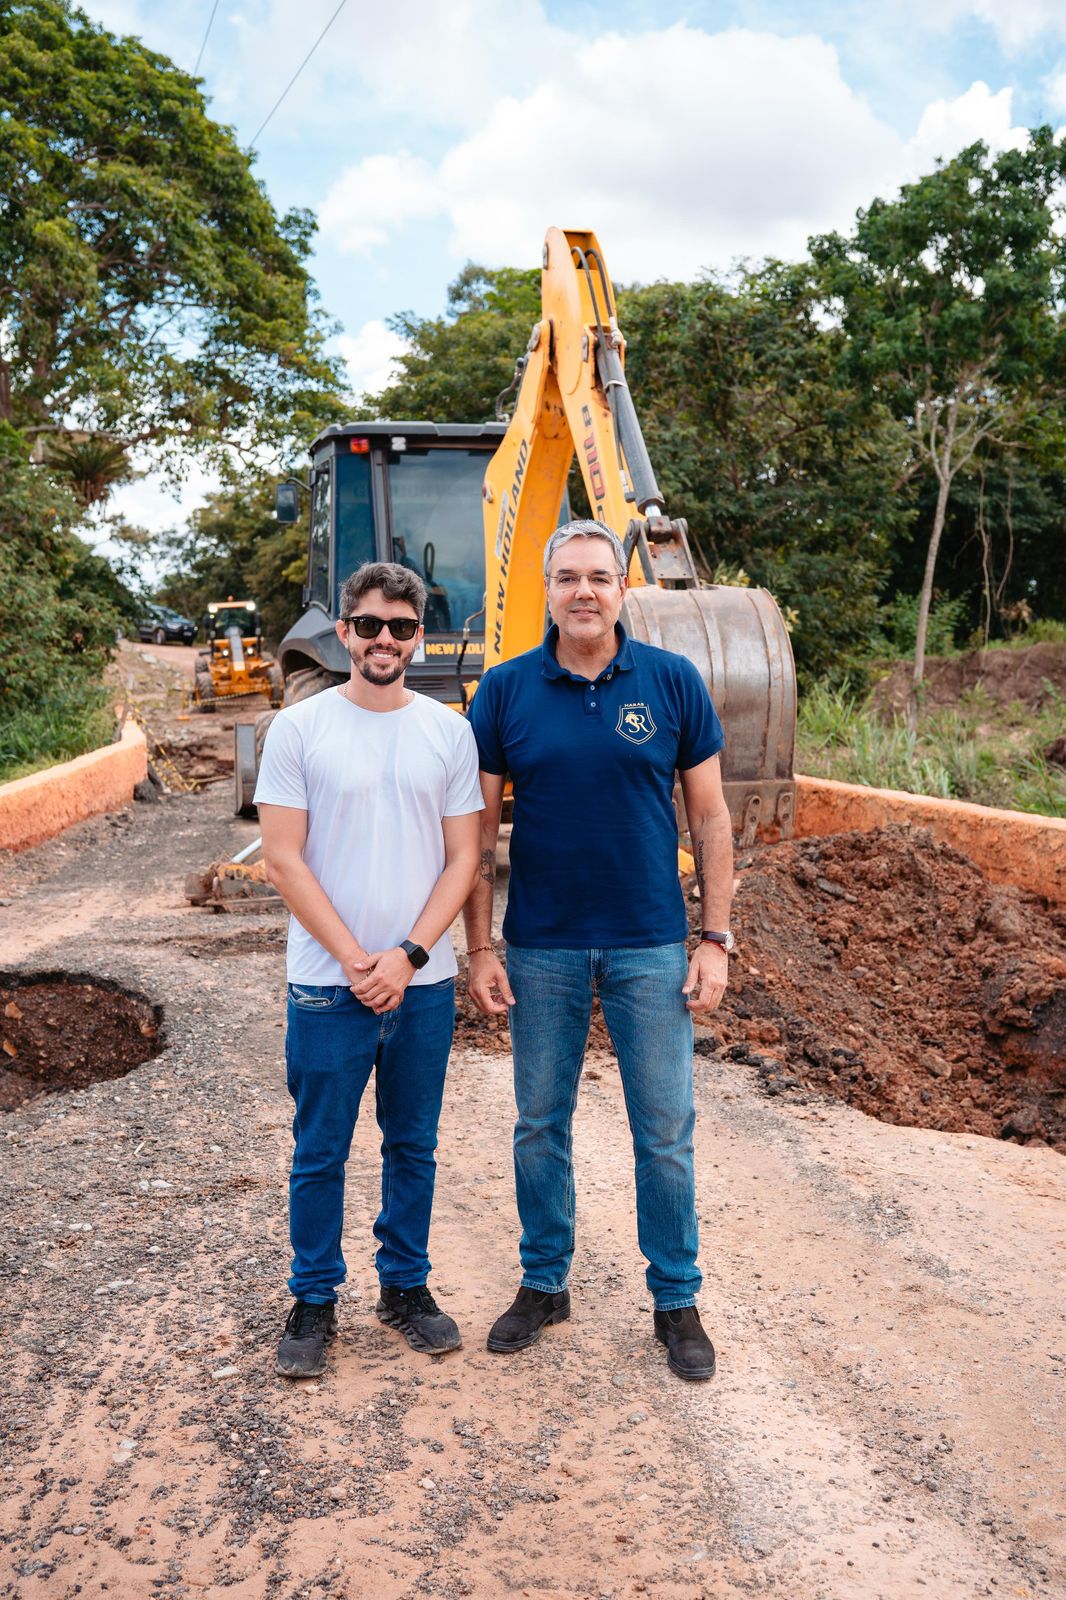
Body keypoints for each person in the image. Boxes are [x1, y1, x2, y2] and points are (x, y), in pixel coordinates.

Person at [464, 519, 733, 1382]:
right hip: (540, 946)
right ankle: (545, 1283)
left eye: (600, 577)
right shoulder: (504, 692)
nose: (585, 591)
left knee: (663, 1131)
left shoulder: (672, 681)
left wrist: (714, 938)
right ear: (547, 589)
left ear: (624, 589)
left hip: (650, 944)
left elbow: (712, 819)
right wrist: (480, 946)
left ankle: (676, 1300)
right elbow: (475, 834)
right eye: (569, 577)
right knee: (541, 1125)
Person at [256, 561, 483, 1378]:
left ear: (420, 637)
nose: (384, 639)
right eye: (369, 624)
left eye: (402, 626)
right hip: (328, 985)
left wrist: (409, 955)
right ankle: (314, 1297)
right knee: (320, 1150)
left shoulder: (448, 731)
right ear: (343, 632)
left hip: (421, 986)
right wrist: (357, 960)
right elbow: (283, 861)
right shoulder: (301, 730)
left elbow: (465, 859)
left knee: (412, 1145)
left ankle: (404, 1287)